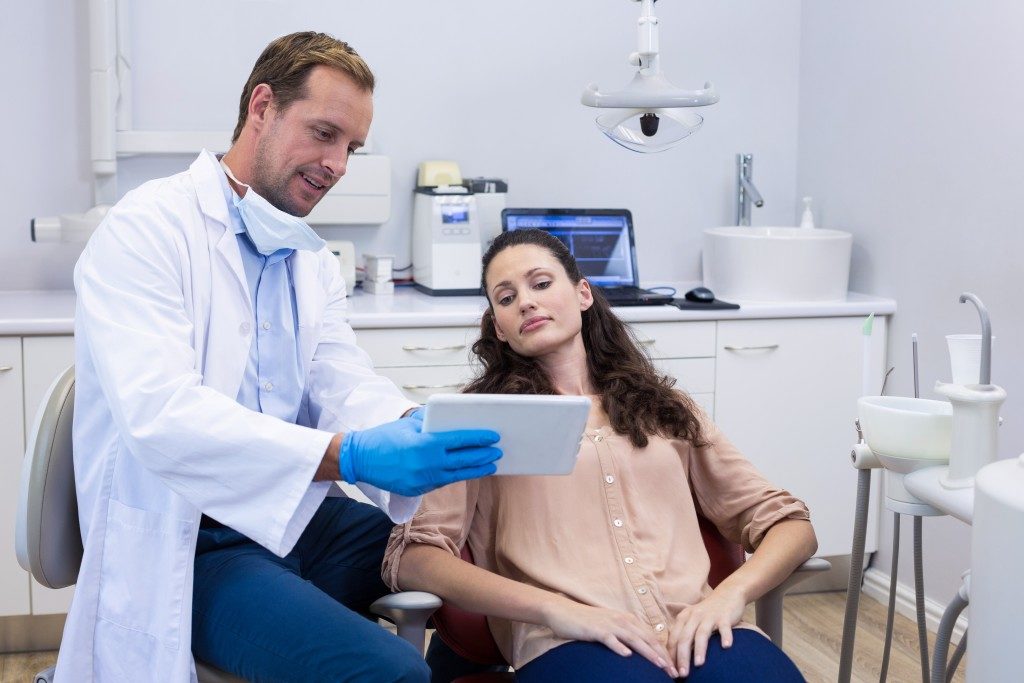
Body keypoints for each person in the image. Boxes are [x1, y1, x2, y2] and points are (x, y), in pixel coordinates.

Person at [62, 32, 502, 682]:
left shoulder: (306, 258)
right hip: (195, 539)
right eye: (324, 133)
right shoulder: (146, 231)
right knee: (390, 672)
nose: (338, 164)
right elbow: (164, 415)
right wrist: (345, 455)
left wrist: (412, 423)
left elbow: (341, 380)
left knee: (472, 571)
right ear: (262, 107)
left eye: (351, 146)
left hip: (295, 515)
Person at [383, 229, 819, 682]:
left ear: (583, 293)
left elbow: (789, 523)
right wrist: (557, 611)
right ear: (499, 327)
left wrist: (728, 597)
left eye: (541, 283)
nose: (526, 303)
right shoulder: (475, 421)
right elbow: (415, 558)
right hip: (567, 641)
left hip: (702, 629)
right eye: (506, 297)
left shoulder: (667, 410)